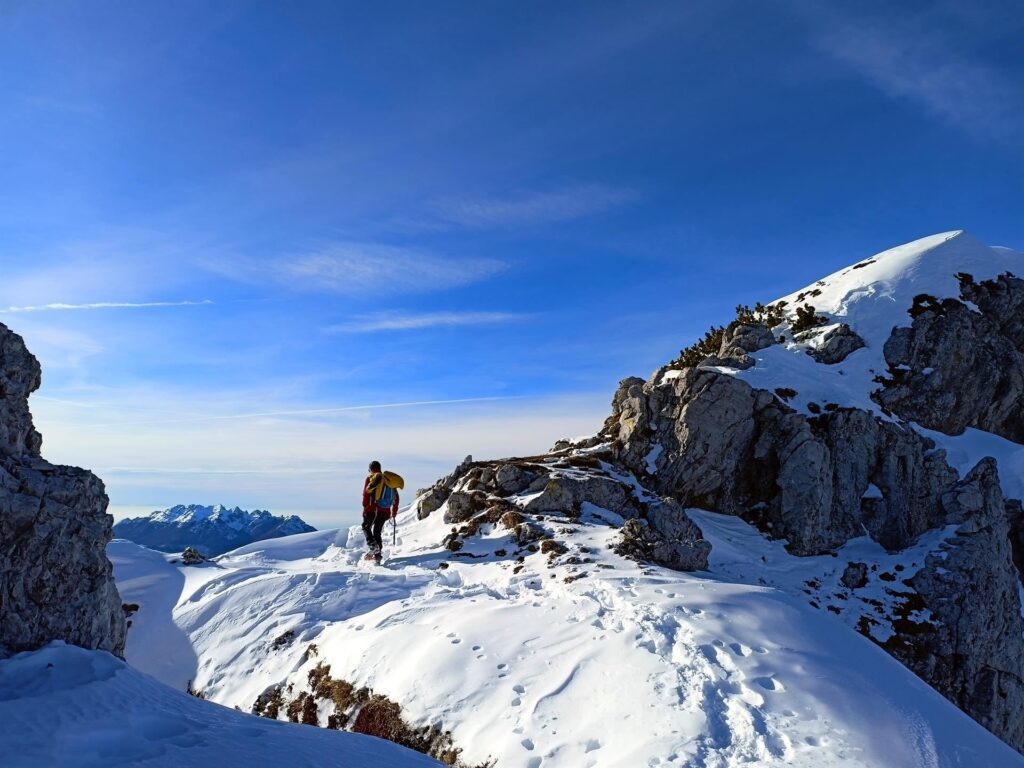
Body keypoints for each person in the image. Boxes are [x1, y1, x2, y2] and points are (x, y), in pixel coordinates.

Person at [362, 460, 399, 563]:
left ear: (371, 469)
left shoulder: (371, 478)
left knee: (366, 527)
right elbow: (396, 497)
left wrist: (365, 507)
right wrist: (394, 511)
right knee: (377, 532)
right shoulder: (389, 481)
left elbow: (366, 494)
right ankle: (377, 556)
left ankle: (373, 547)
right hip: (385, 512)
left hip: (374, 509)